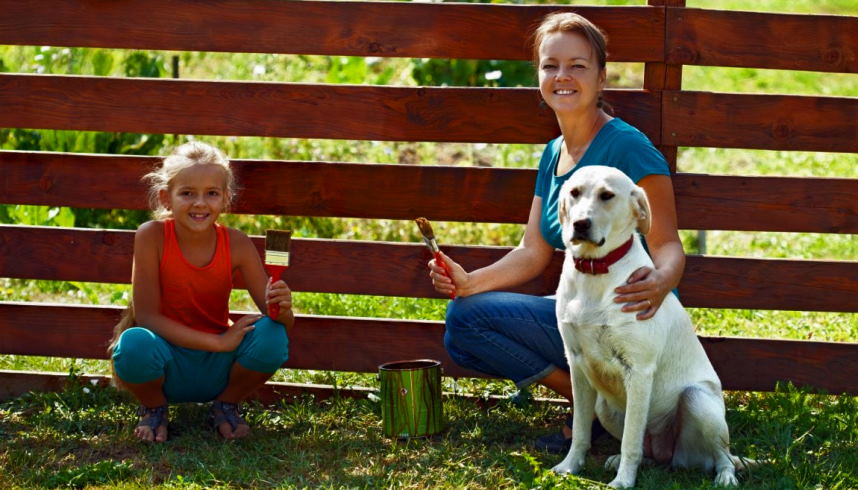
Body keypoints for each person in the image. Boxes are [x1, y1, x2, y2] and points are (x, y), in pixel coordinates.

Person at [426, 12, 685, 453]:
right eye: (551, 66)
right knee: (463, 324)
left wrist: (661, 283)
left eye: (578, 66)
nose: (562, 76)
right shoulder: (554, 153)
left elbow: (668, 245)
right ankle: (600, 409)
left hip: (630, 317)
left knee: (466, 320)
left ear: (601, 79)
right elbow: (533, 251)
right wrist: (469, 282)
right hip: (583, 307)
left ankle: (610, 415)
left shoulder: (628, 146)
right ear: (539, 76)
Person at [108, 141, 294, 442]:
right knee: (133, 344)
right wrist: (218, 342)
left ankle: (226, 405)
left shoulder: (237, 243)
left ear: (225, 198)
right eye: (187, 193)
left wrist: (283, 307)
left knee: (273, 334)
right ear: (166, 198)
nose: (200, 203)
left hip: (217, 371)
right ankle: (154, 409)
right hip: (167, 362)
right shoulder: (151, 237)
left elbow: (281, 323)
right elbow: (146, 317)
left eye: (212, 193)